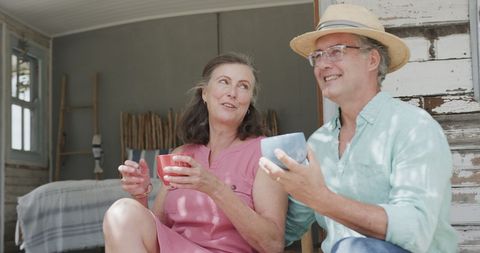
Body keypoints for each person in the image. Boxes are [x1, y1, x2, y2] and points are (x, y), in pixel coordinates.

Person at [259, 4, 458, 253]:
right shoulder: (318, 143)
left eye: (336, 51)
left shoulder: (414, 127)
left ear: (372, 59)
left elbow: (414, 231)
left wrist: (323, 199)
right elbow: (285, 231)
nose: (322, 64)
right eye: (318, 56)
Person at [103, 52, 287, 253]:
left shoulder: (264, 154)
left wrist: (215, 187)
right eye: (224, 82)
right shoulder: (182, 153)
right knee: (122, 212)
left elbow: (273, 245)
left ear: (249, 101)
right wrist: (140, 195)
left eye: (243, 86)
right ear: (204, 93)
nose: (233, 92)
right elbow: (158, 228)